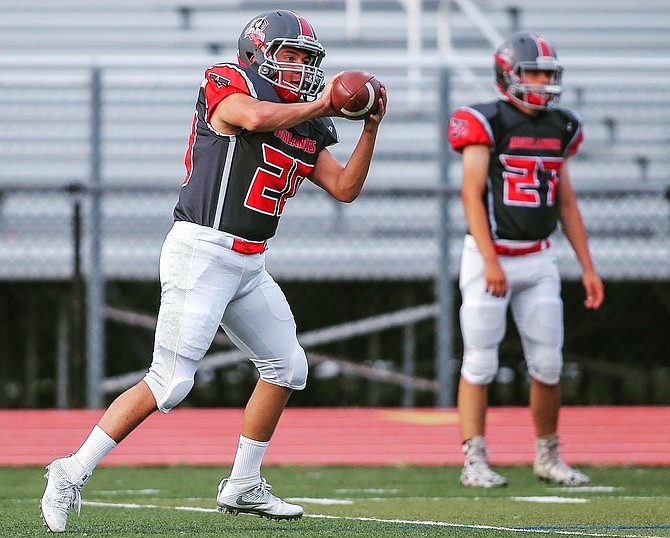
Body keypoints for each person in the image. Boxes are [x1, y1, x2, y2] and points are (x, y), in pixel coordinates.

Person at [40, 9, 386, 532]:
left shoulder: (309, 119)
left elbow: (344, 188)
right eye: (287, 56)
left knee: (288, 368)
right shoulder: (229, 81)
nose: (297, 68)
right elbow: (252, 119)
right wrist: (325, 101)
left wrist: (371, 127)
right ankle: (69, 471)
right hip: (201, 250)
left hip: (250, 261)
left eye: (305, 60)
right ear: (257, 54)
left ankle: (244, 483)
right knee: (170, 383)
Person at [447, 32, 604, 488]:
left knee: (549, 364)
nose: (541, 81)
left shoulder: (561, 126)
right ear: (507, 75)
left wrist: (588, 267)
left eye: (547, 74)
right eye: (533, 72)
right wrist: (492, 259)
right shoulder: (486, 121)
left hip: (538, 258)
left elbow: (566, 203)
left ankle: (547, 456)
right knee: (479, 362)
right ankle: (473, 459)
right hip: (488, 256)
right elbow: (471, 195)